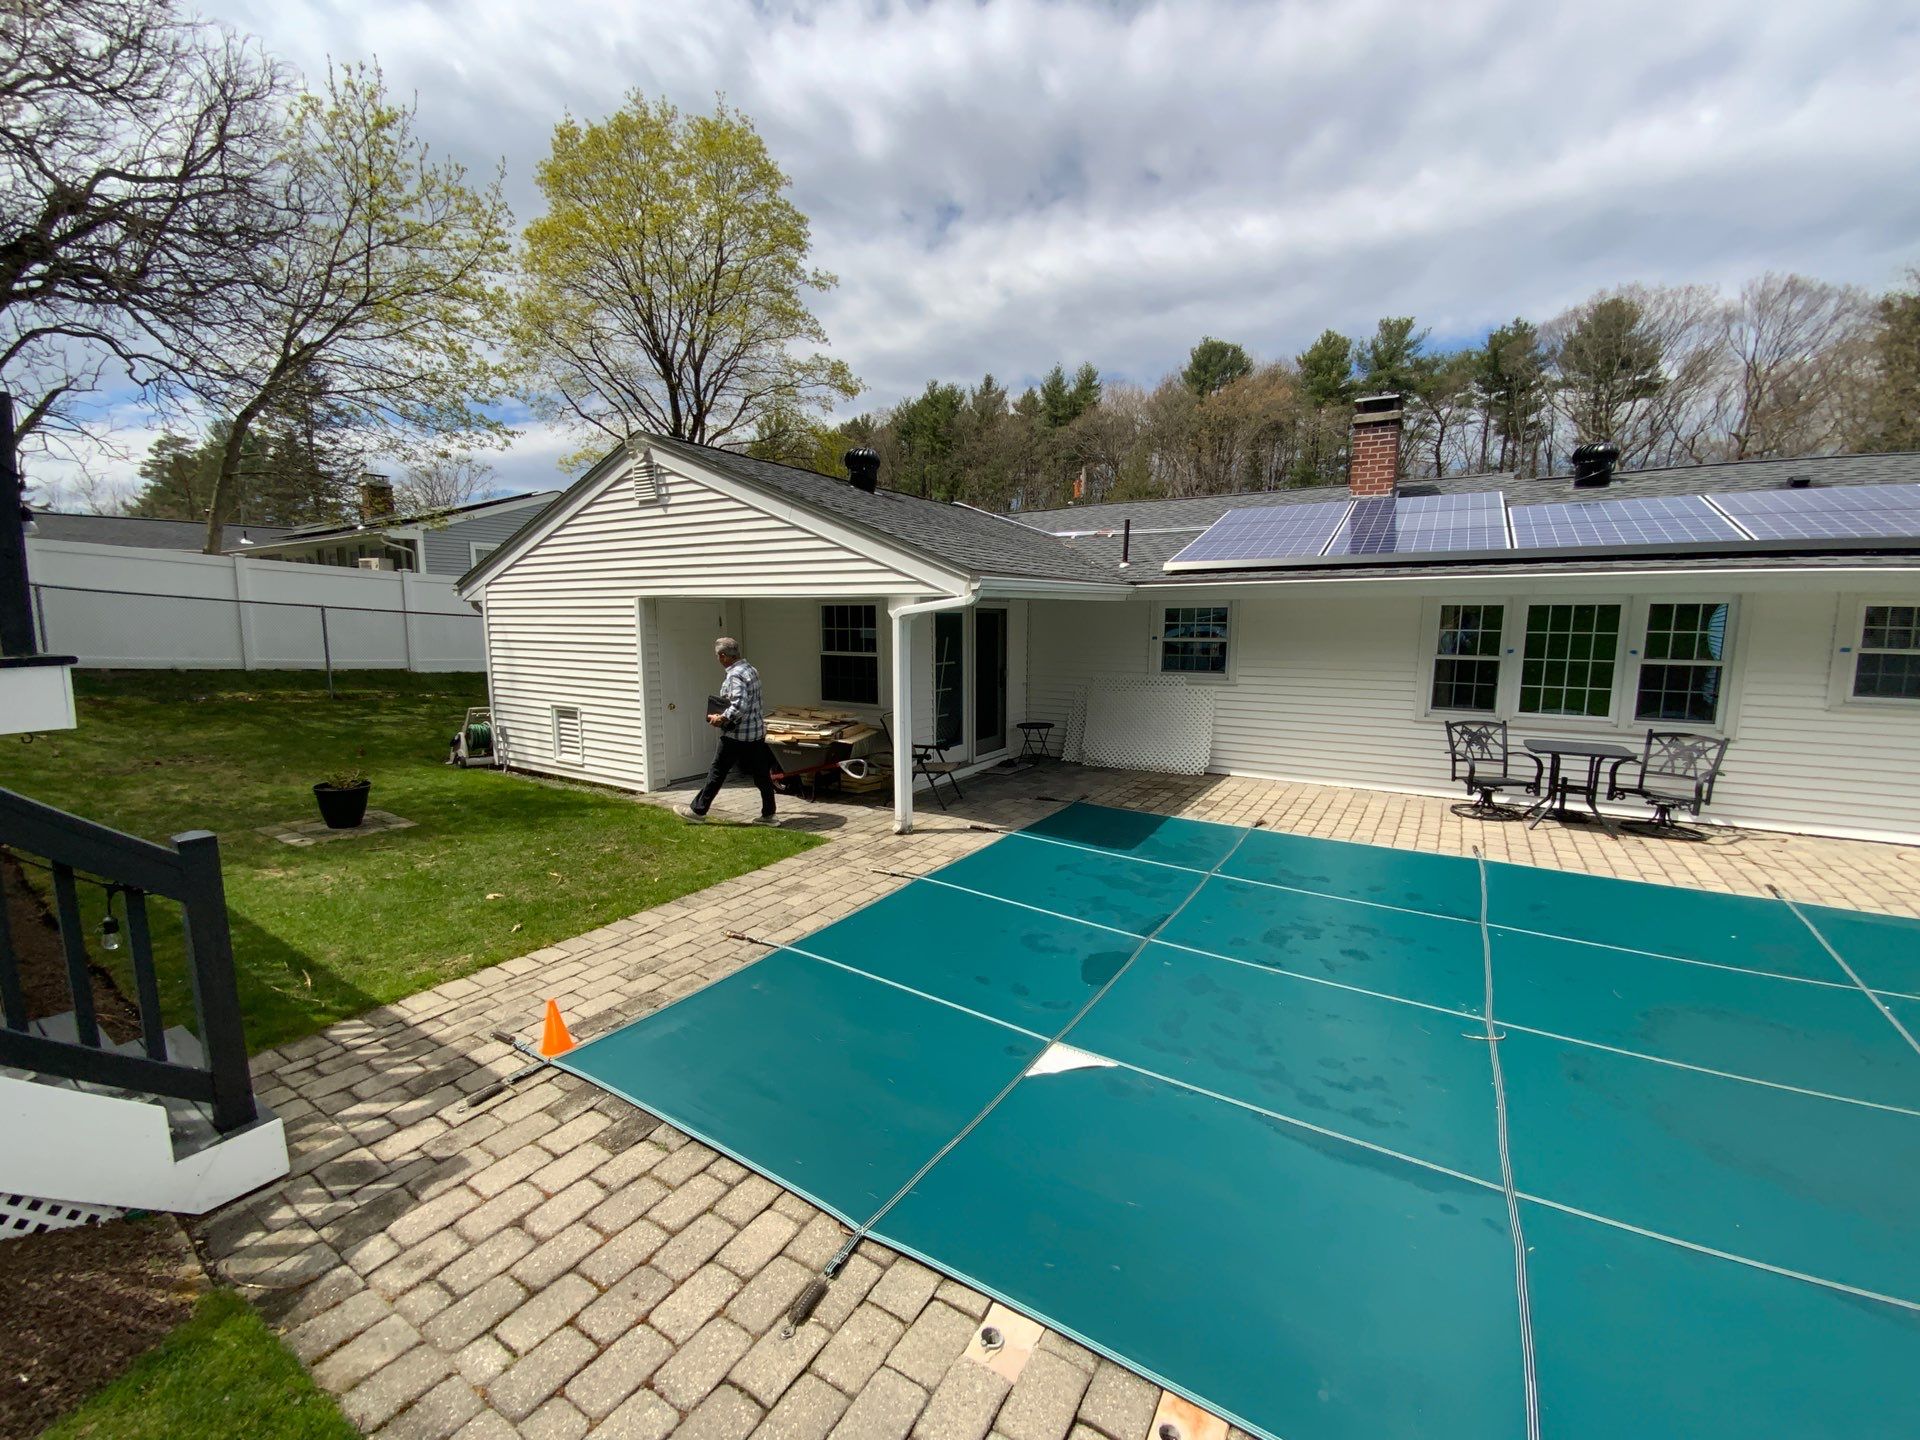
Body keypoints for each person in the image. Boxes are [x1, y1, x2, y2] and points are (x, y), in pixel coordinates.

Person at [675, 637, 778, 825]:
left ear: (723, 656)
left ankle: (697, 812)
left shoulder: (735, 675)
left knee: (717, 771)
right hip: (755, 733)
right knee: (761, 775)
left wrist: (720, 718)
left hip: (736, 735)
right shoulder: (750, 669)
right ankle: (769, 815)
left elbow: (739, 705)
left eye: (717, 655)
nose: (717, 658)